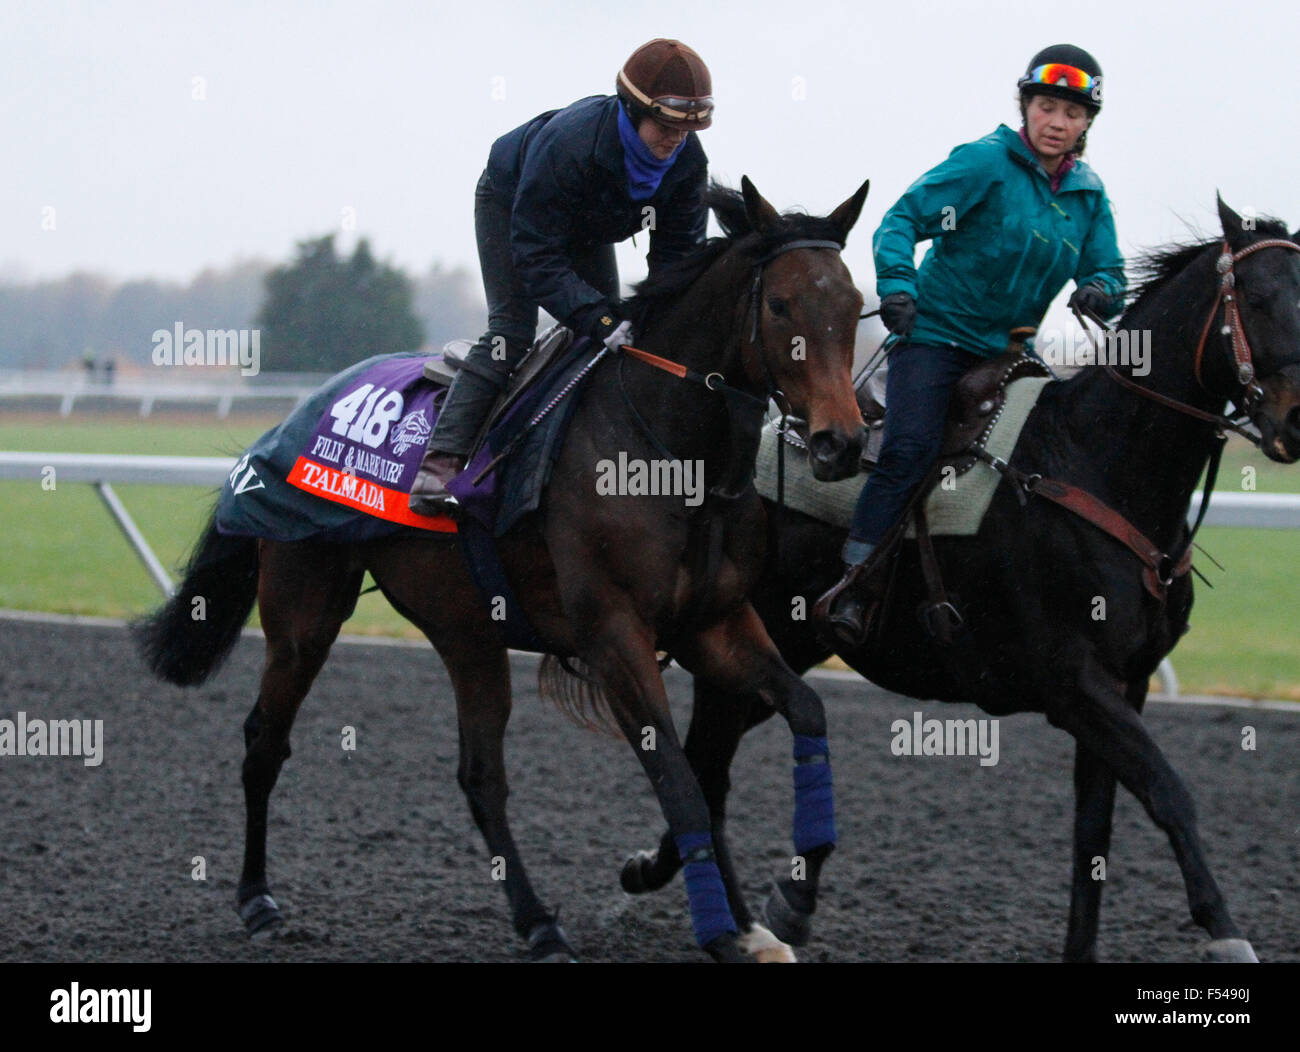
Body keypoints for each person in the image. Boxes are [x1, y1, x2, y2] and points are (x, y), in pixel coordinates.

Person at [815, 43, 1126, 642]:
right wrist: (899, 286)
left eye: (1071, 112)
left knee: (1051, 458)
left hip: (1012, 356)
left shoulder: (1087, 196)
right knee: (908, 449)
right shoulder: (984, 164)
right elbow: (901, 219)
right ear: (1026, 106)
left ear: (1087, 123)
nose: (1057, 122)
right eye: (1045, 106)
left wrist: (1099, 291)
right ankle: (855, 583)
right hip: (935, 339)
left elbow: (1110, 271)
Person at [409, 38, 713, 513]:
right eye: (666, 126)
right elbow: (535, 256)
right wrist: (600, 318)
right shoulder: (570, 144)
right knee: (513, 330)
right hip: (513, 203)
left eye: (687, 130)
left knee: (607, 336)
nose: (676, 140)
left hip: (588, 222)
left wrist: (649, 318)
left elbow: (676, 262)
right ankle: (440, 464)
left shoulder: (689, 165)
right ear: (634, 111)